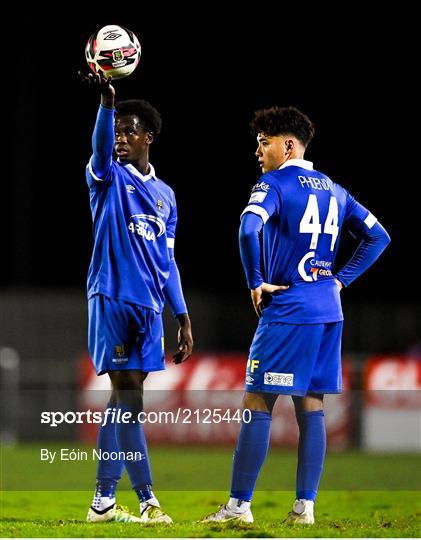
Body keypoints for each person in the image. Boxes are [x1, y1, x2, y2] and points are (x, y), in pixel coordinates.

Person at [201, 106, 390, 525]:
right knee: (311, 405)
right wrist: (339, 280)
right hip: (329, 311)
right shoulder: (335, 190)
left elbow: (248, 229)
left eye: (264, 142)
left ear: (288, 145)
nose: (258, 150)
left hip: (290, 309)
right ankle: (304, 508)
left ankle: (239, 507)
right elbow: (379, 236)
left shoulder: (273, 184)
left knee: (257, 400)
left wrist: (255, 280)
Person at [79, 72, 193, 524]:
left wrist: (182, 316)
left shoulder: (166, 196)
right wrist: (107, 105)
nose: (122, 137)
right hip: (110, 296)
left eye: (130, 130)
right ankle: (147, 500)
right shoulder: (107, 178)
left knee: (125, 401)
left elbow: (168, 262)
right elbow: (100, 148)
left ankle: (103, 503)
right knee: (128, 398)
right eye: (118, 129)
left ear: (149, 137)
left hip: (149, 308)